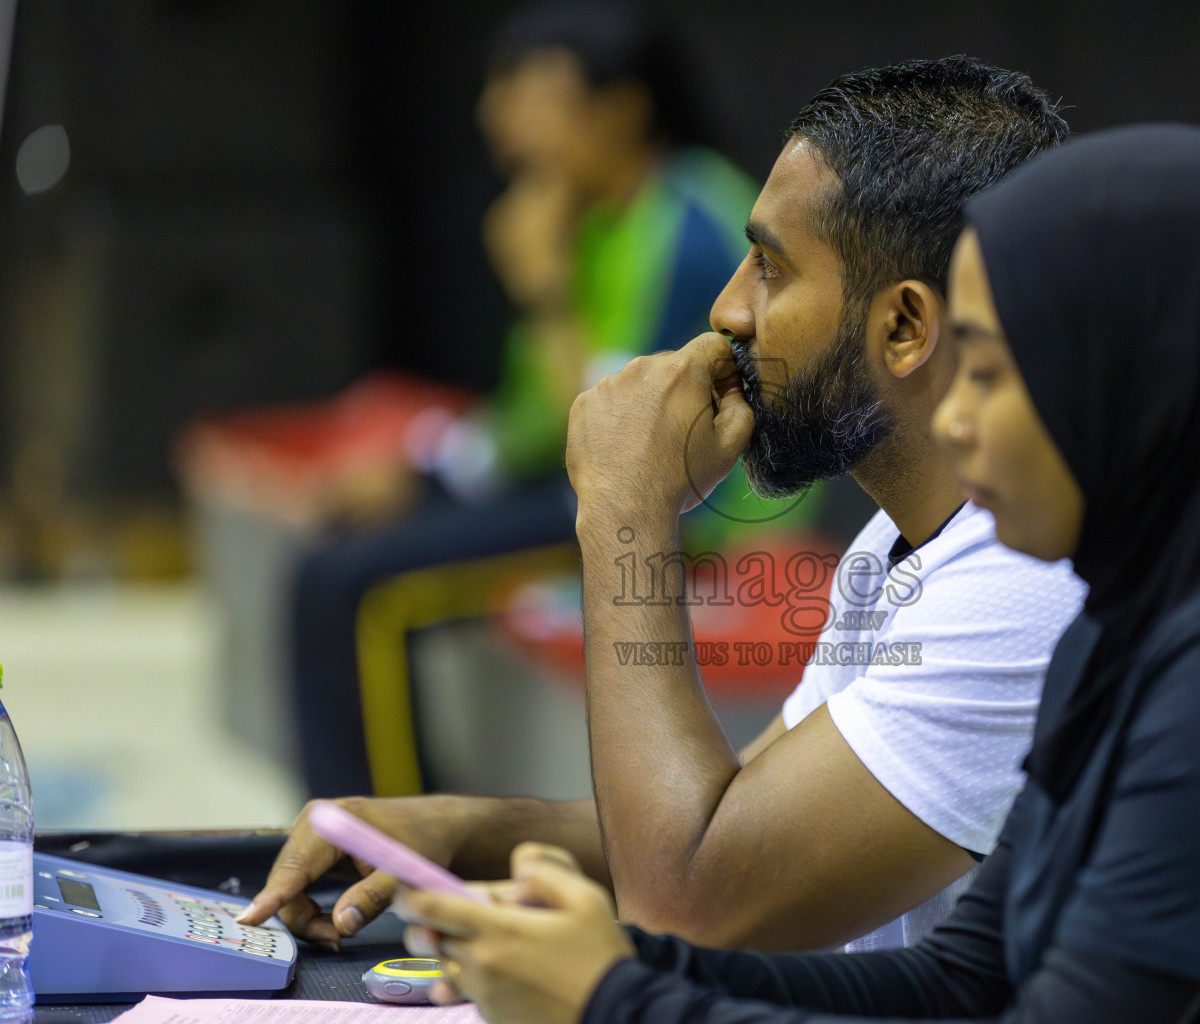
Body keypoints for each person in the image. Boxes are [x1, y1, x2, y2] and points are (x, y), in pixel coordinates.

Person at [389, 125, 1200, 1024]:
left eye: (998, 369)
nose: (959, 416)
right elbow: (963, 982)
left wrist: (625, 508)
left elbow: (701, 888)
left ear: (1137, 385)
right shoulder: (1119, 624)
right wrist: (596, 949)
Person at [244, 57, 1085, 953]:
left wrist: (625, 508)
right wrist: (462, 828)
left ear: (906, 328)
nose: (731, 309)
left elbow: (692, 900)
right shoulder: (902, 543)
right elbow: (738, 819)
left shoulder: (1022, 585)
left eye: (769, 266)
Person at [288, 1, 781, 801]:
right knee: (329, 551)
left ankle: (392, 857)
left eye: (529, 95)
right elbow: (531, 420)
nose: (497, 118)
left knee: (363, 588)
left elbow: (624, 440)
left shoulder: (687, 227)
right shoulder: (587, 210)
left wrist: (545, 292)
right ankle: (348, 822)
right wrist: (422, 470)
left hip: (687, 510)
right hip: (581, 479)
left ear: (621, 109)